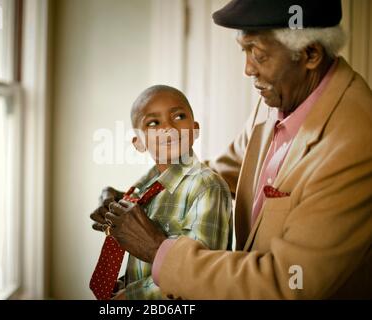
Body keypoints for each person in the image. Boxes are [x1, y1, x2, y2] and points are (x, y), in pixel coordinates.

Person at [92, 0, 372, 299]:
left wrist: (157, 249)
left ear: (310, 54)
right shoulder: (279, 101)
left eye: (259, 54)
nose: (247, 69)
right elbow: (215, 175)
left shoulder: (357, 143)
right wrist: (140, 197)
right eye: (244, 50)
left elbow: (287, 282)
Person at [91, 85, 232, 300]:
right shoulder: (142, 190)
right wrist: (123, 286)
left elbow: (199, 277)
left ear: (194, 130)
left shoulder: (207, 187)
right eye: (153, 123)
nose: (168, 128)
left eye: (178, 116)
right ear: (138, 143)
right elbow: (144, 266)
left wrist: (128, 298)